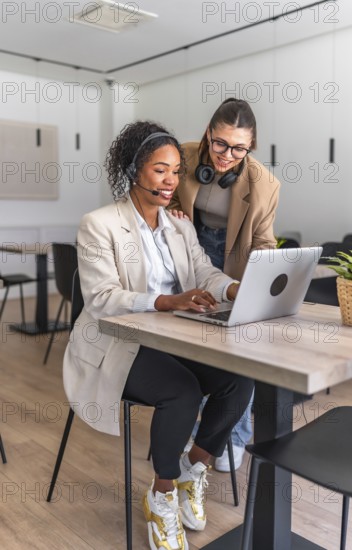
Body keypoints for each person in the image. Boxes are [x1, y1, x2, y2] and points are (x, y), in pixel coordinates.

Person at [63, 120, 254, 550]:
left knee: (239, 379)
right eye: (159, 170)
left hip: (175, 337)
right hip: (118, 341)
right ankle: (162, 495)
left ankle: (192, 472)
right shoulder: (99, 224)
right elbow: (101, 298)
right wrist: (167, 301)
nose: (171, 181)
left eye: (175, 171)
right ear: (135, 170)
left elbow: (204, 271)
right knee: (182, 392)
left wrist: (233, 287)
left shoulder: (179, 225)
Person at [169, 98, 281, 472]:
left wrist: (261, 281)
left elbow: (264, 241)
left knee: (236, 351)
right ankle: (200, 427)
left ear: (250, 147)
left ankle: (232, 435)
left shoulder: (264, 183)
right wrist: (168, 209)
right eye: (220, 144)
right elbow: (154, 194)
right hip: (189, 252)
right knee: (195, 345)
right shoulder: (181, 156)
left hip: (235, 258)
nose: (226, 155)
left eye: (238, 148)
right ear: (208, 134)